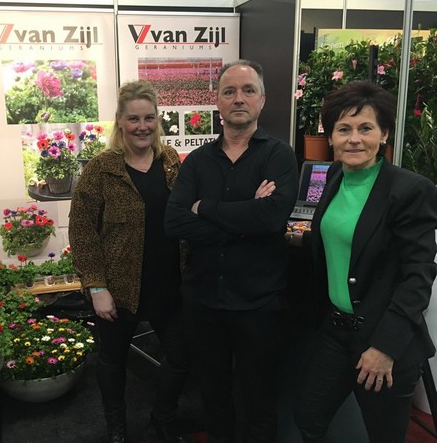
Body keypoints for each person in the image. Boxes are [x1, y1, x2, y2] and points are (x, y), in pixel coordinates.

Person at [291, 80, 437, 442]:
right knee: (308, 416)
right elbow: (343, 241)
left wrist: (385, 347)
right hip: (336, 331)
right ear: (331, 137)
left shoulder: (410, 190)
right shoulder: (335, 176)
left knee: (383, 434)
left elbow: (418, 276)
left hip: (382, 339)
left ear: (383, 134)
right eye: (344, 129)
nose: (354, 139)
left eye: (365, 128)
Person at [165, 60, 299, 442]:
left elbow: (271, 218)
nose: (239, 98)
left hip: (259, 304)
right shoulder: (198, 161)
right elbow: (174, 222)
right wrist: (246, 217)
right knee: (213, 398)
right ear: (218, 101)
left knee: (261, 401)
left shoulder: (279, 156)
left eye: (248, 90)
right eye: (229, 91)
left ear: (262, 100)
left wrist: (204, 208)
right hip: (203, 302)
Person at [68, 80, 190, 443]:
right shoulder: (101, 169)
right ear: (120, 120)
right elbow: (82, 231)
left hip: (170, 283)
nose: (142, 126)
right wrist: (97, 287)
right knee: (112, 360)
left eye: (149, 118)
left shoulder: (171, 161)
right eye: (133, 118)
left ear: (158, 120)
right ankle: (117, 428)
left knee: (181, 358)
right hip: (118, 288)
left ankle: (162, 419)